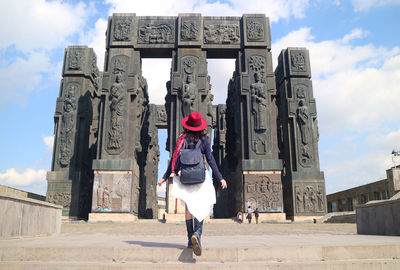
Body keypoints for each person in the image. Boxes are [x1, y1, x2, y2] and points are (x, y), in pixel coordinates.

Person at [158, 112, 227, 256]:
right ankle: (197, 234)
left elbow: (174, 159)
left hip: (185, 178)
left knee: (189, 208)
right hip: (200, 177)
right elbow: (211, 160)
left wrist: (165, 177)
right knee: (201, 206)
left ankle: (190, 239)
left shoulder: (182, 139)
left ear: (187, 126)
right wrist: (220, 177)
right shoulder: (204, 140)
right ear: (200, 126)